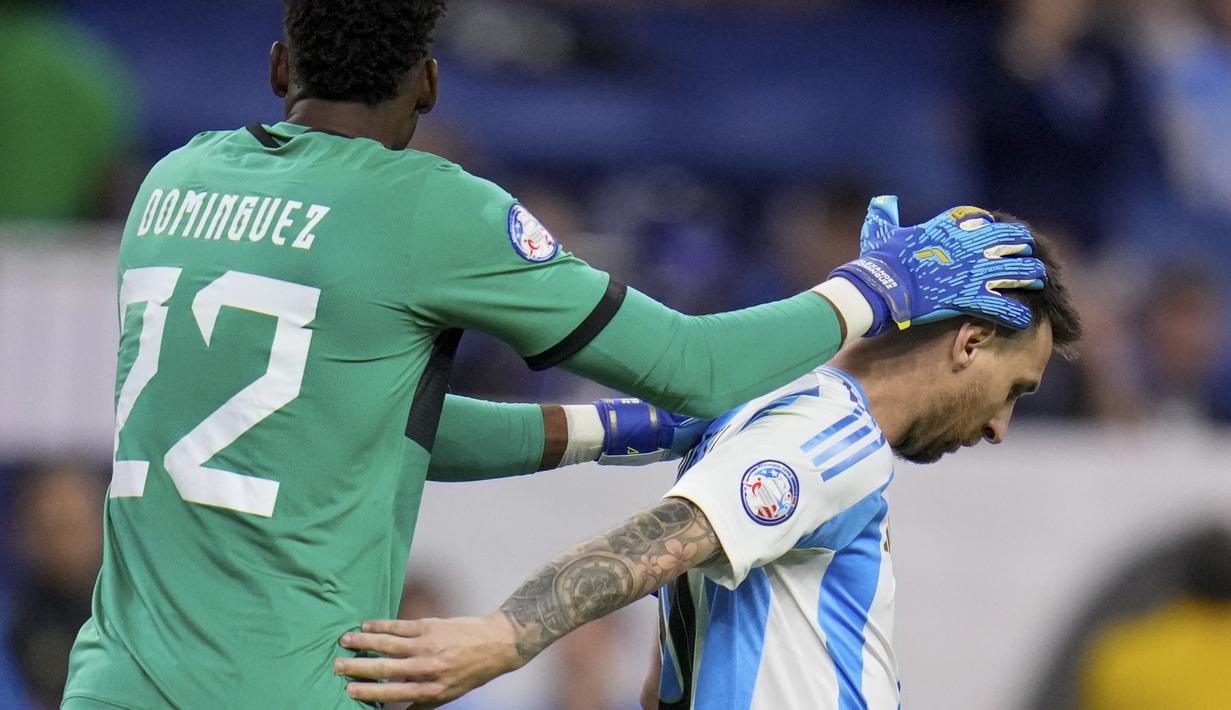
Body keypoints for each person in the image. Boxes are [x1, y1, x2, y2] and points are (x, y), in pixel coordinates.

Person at [62, 0, 1048, 706]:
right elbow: (694, 364)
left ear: (281, 66)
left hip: (111, 679)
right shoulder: (428, 208)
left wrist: (607, 428)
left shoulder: (173, 184)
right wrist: (878, 286)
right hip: (283, 685)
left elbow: (348, 419)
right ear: (431, 83)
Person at [331, 208, 1081, 708]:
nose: (998, 428)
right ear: (969, 341)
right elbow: (668, 536)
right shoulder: (832, 433)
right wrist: (501, 637)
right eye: (1014, 389)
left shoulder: (765, 410)